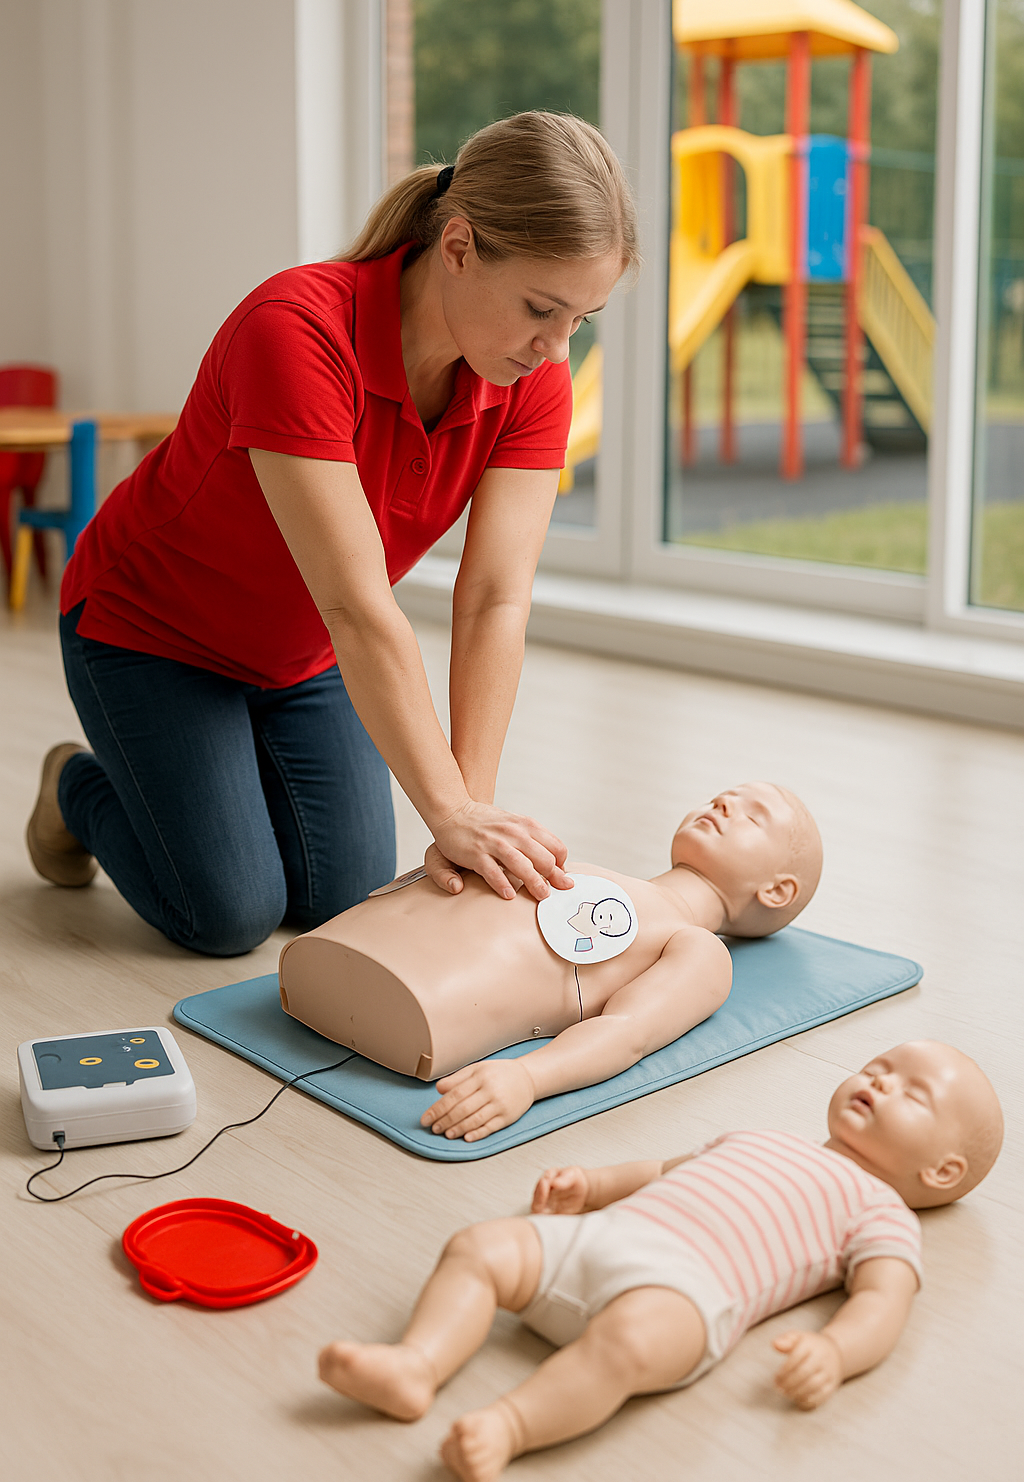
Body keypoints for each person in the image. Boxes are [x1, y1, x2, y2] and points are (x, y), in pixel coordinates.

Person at [24, 113, 637, 956]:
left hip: (302, 654)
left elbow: (494, 596)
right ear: (457, 247)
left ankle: (216, 786)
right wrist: (446, 810)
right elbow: (356, 601)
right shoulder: (297, 330)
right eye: (542, 308)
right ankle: (76, 789)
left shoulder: (533, 373)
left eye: (583, 318)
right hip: (151, 633)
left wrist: (471, 816)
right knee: (231, 915)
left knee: (341, 899)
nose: (556, 346)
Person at [318, 1041, 1003, 1481]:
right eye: (878, 1067)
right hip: (607, 1234)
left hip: (687, 1292)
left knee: (627, 1343)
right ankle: (418, 1363)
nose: (880, 1083)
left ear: (943, 1172)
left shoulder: (881, 1209)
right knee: (480, 1246)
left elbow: (883, 1301)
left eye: (912, 1096)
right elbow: (661, 1167)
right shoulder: (760, 1135)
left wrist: (836, 1352)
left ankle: (510, 1427)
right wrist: (592, 1186)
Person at [278, 782, 822, 1140]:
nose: (721, 804)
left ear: (777, 890)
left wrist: (528, 1080)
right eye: (721, 797)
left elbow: (628, 1031)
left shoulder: (698, 947)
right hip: (355, 948)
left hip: (419, 1002)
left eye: (753, 817)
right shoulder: (604, 873)